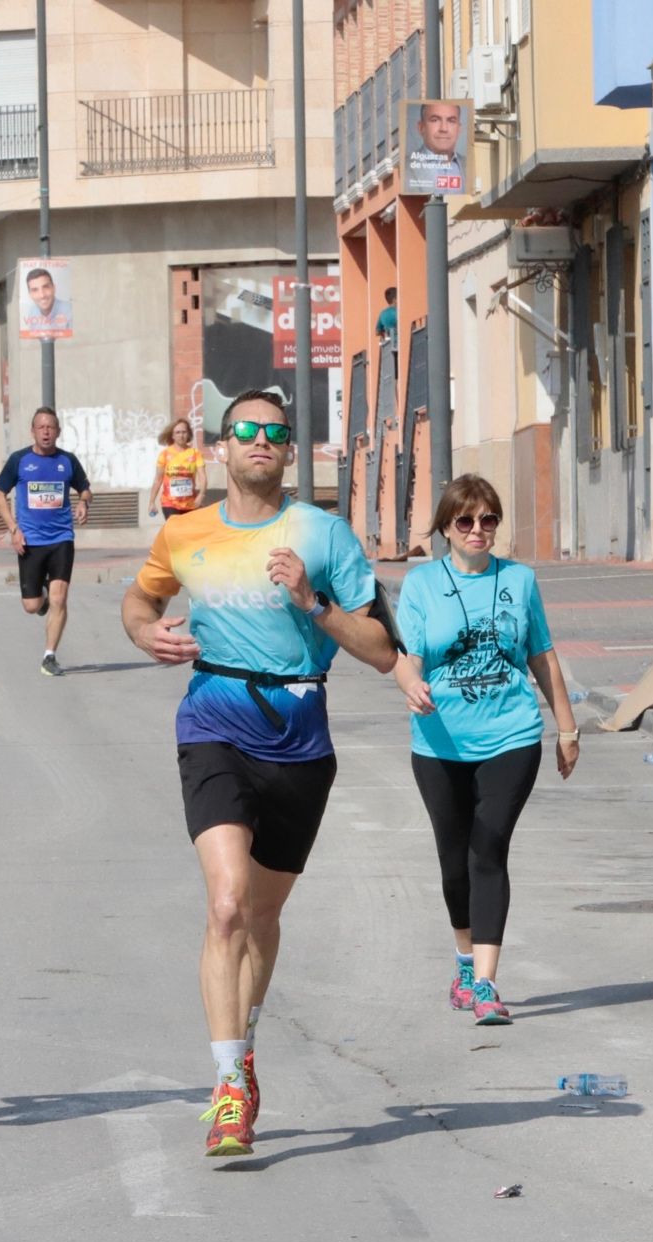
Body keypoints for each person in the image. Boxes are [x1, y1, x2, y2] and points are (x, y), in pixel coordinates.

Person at [121, 387, 397, 1158]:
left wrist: (313, 603)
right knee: (227, 904)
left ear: (290, 450)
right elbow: (137, 604)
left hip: (300, 738)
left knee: (265, 917)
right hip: (212, 720)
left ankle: (242, 1039)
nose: (262, 441)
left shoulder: (323, 532)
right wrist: (148, 635)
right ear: (221, 445)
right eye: (247, 430)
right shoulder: (186, 531)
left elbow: (380, 649)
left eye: (277, 432)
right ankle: (229, 1082)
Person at [393, 475, 579, 1026]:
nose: (479, 531)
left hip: (512, 734)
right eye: (466, 522)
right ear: (446, 529)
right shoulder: (423, 585)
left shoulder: (519, 581)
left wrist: (566, 728)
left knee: (487, 849)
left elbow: (542, 656)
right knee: (455, 863)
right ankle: (464, 961)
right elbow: (405, 653)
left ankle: (487, 984)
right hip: (439, 741)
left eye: (489, 520)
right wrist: (411, 683)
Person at [0, 408, 91, 676]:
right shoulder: (19, 460)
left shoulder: (67, 461)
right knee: (32, 606)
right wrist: (13, 529)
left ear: (58, 431)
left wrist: (83, 502)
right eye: (41, 427)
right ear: (33, 431)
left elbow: (85, 488)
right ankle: (42, 596)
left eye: (51, 427)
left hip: (61, 539)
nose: (46, 432)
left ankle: (49, 656)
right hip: (30, 541)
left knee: (60, 598)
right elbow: (0, 494)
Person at [148, 418, 205, 518]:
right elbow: (158, 480)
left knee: (188, 533)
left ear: (188, 434)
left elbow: (203, 477)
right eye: (178, 432)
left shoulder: (195, 453)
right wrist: (151, 502)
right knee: (174, 531)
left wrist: (201, 495)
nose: (181, 435)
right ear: (173, 435)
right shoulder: (165, 454)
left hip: (190, 504)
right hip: (169, 503)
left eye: (184, 432)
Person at [22, 266, 72, 335]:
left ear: (54, 288)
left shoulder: (70, 311)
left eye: (46, 287)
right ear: (30, 295)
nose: (42, 295)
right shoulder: (32, 312)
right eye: (35, 290)